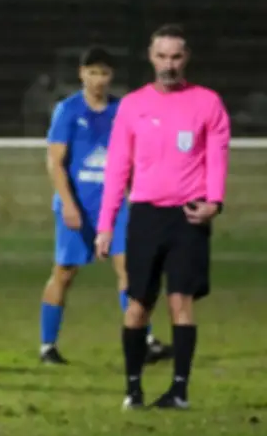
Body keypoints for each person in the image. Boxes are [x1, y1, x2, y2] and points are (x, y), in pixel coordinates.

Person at [95, 24, 230, 409]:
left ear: (186, 58)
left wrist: (214, 202)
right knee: (138, 304)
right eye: (162, 56)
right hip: (146, 217)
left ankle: (179, 391)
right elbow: (117, 168)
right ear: (151, 58)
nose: (169, 64)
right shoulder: (133, 106)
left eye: (176, 56)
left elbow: (217, 156)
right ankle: (133, 389)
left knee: (180, 301)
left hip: (188, 218)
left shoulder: (207, 103)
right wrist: (105, 225)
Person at [39, 46, 170, 365]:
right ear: (81, 74)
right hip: (79, 205)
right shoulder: (67, 111)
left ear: (112, 76)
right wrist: (68, 204)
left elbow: (133, 159)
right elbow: (55, 162)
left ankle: (143, 340)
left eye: (104, 73)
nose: (98, 79)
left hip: (115, 206)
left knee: (130, 271)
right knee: (64, 273)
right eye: (93, 72)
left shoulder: (122, 110)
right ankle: (47, 346)